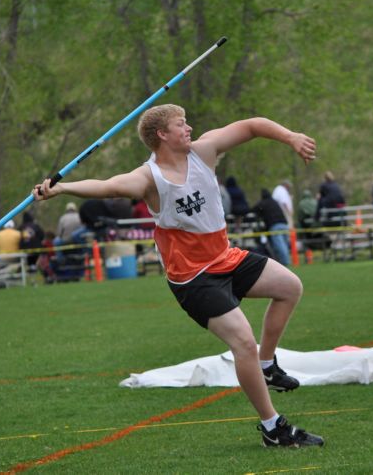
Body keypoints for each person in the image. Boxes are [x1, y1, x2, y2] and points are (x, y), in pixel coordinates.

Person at [33, 104, 323, 448]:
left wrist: (290, 137)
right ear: (162, 135)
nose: (189, 128)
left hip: (225, 257)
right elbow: (110, 185)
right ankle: (273, 428)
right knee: (242, 342)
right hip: (193, 278)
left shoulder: (204, 150)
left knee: (290, 287)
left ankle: (266, 365)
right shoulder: (149, 177)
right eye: (180, 124)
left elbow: (251, 125)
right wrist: (63, 189)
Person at [252, 189, 291, 266]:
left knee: (279, 246)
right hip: (284, 224)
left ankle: (285, 263)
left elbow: (253, 209)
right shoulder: (275, 202)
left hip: (274, 226)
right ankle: (285, 262)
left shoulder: (263, 203)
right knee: (285, 245)